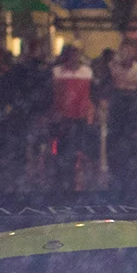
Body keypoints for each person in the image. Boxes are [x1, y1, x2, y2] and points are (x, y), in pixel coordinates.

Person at [48, 41, 98, 188]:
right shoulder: (57, 72)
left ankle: (73, 177)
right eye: (71, 54)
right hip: (63, 116)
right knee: (63, 148)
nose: (74, 57)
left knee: (78, 147)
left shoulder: (87, 72)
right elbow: (53, 94)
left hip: (80, 116)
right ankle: (63, 177)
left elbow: (92, 93)